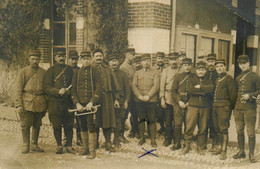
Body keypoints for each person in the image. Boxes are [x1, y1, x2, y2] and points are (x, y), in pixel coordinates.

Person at [15, 49, 47, 154]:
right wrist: (18, 104)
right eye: (32, 59)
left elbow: (46, 89)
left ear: (39, 60)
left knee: (37, 124)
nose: (35, 61)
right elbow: (18, 89)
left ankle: (34, 144)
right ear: (29, 59)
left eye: (37, 59)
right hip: (27, 101)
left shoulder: (43, 72)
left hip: (40, 101)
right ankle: (26, 145)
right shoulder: (23, 71)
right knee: (25, 124)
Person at [71, 51, 101, 159]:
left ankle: (92, 151)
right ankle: (85, 148)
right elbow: (73, 90)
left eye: (88, 58)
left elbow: (98, 88)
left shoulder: (95, 71)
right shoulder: (77, 73)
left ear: (91, 59)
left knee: (91, 126)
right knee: (82, 126)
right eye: (84, 59)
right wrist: (77, 103)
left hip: (91, 105)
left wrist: (92, 101)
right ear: (81, 60)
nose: (86, 60)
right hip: (80, 106)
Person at [43, 51, 75, 154]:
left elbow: (74, 85)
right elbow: (46, 87)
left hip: (68, 102)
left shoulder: (70, 70)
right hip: (54, 102)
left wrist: (69, 91)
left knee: (69, 124)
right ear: (55, 57)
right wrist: (57, 91)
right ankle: (59, 145)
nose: (61, 58)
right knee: (56, 124)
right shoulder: (50, 71)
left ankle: (69, 145)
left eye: (63, 56)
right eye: (59, 56)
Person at [181, 61, 214, 155]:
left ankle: (200, 146)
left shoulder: (209, 80)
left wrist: (200, 87)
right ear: (196, 71)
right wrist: (204, 92)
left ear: (205, 71)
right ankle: (187, 146)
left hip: (205, 107)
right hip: (193, 106)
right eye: (199, 69)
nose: (201, 71)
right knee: (189, 126)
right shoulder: (191, 79)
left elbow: (211, 90)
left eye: (203, 70)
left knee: (203, 127)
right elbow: (190, 91)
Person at [232, 55, 260, 163]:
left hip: (249, 108)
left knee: (250, 132)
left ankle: (251, 154)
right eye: (240, 64)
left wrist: (250, 96)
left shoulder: (255, 76)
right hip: (238, 108)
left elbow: (259, 91)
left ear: (249, 63)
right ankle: (241, 151)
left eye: (244, 63)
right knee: (239, 130)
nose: (243, 65)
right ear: (239, 65)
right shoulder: (238, 78)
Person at [92, 49, 120, 152]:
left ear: (103, 57)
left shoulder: (108, 69)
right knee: (95, 121)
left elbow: (115, 85)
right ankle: (95, 143)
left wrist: (116, 99)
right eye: (96, 56)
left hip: (107, 98)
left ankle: (108, 142)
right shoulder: (90, 69)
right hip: (94, 99)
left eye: (100, 56)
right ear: (93, 58)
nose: (99, 58)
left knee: (107, 121)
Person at [132, 54, 160, 147]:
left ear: (151, 62)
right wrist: (139, 96)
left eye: (148, 60)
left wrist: (148, 96)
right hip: (139, 100)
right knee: (141, 119)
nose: (147, 62)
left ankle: (153, 139)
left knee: (151, 120)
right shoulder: (137, 73)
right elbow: (134, 86)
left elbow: (156, 86)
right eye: (145, 61)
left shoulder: (155, 72)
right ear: (142, 62)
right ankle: (141, 138)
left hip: (151, 100)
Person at [211, 59, 237, 160]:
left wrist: (229, 109)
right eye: (217, 67)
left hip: (224, 107)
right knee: (217, 127)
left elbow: (233, 96)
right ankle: (219, 147)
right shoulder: (217, 79)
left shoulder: (229, 79)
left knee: (223, 128)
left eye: (221, 66)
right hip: (215, 106)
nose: (219, 68)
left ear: (225, 67)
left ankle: (224, 151)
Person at [171, 58, 193, 151]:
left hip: (190, 104)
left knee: (188, 124)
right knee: (178, 124)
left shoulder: (194, 77)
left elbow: (196, 92)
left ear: (191, 66)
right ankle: (177, 143)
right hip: (178, 104)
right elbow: (173, 91)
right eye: (185, 65)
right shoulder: (177, 77)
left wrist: (189, 102)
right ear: (182, 66)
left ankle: (187, 144)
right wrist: (179, 101)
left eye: (188, 65)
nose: (187, 67)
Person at [108, 55, 131, 148]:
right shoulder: (106, 73)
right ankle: (107, 141)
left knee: (119, 121)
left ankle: (116, 139)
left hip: (121, 101)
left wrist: (126, 101)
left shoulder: (123, 74)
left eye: (116, 61)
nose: (114, 63)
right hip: (108, 101)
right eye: (112, 61)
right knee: (108, 121)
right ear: (109, 62)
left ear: (119, 62)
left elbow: (127, 89)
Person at [160, 52, 179, 146]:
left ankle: (176, 138)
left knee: (177, 120)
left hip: (178, 99)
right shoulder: (165, 71)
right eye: (172, 60)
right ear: (169, 61)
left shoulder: (182, 70)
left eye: (175, 59)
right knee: (168, 120)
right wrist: (162, 99)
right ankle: (168, 138)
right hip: (168, 98)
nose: (174, 62)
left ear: (178, 60)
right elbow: (162, 86)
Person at [120, 48, 138, 139]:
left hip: (133, 94)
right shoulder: (123, 67)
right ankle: (120, 135)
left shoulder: (132, 66)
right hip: (127, 94)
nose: (134, 57)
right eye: (132, 55)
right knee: (124, 115)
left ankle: (134, 131)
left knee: (134, 113)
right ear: (127, 55)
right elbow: (125, 83)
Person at [205, 53, 219, 151]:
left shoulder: (218, 73)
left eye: (212, 61)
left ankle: (214, 142)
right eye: (209, 61)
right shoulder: (204, 72)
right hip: (205, 101)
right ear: (207, 62)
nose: (211, 63)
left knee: (214, 122)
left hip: (214, 101)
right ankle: (204, 141)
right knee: (205, 121)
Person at [68, 50, 82, 146]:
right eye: (72, 59)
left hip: (78, 98)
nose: (74, 61)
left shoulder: (80, 70)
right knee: (68, 120)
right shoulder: (65, 70)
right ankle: (67, 138)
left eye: (75, 59)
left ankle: (79, 138)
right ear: (68, 59)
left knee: (79, 119)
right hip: (67, 99)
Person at [152, 52, 166, 135]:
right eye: (158, 58)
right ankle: (158, 128)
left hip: (164, 93)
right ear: (156, 59)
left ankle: (164, 128)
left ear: (164, 59)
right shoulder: (152, 68)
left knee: (165, 111)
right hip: (155, 93)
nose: (160, 60)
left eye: (162, 58)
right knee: (157, 111)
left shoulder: (167, 68)